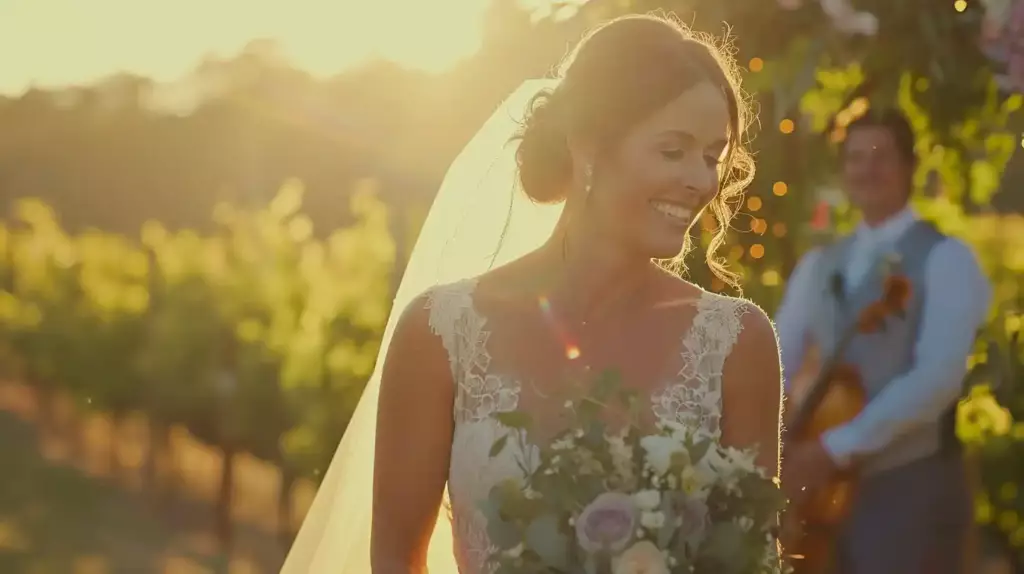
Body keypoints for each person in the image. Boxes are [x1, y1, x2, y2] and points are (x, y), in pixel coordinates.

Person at [281, 14, 783, 574]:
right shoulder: (440, 333)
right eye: (673, 151)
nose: (702, 180)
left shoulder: (737, 343)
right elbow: (398, 558)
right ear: (587, 146)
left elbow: (752, 559)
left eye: (712, 157)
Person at [776, 109, 992, 574]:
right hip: (822, 497)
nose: (867, 169)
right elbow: (778, 360)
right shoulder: (818, 264)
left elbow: (937, 379)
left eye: (881, 156)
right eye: (855, 158)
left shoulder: (947, 258)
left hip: (909, 489)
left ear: (910, 166)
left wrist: (835, 448)